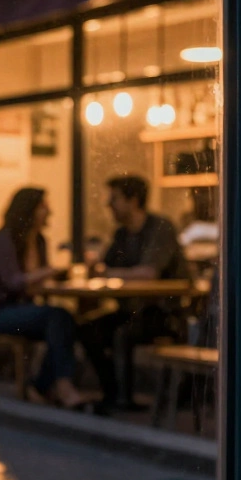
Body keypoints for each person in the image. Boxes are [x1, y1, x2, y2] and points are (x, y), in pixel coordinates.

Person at [81, 175, 186, 414]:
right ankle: (112, 393)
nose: (108, 204)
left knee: (122, 334)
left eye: (114, 198)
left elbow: (148, 273)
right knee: (87, 328)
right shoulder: (121, 234)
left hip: (164, 314)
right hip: (132, 311)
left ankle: (123, 399)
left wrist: (106, 272)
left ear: (133, 200)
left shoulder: (160, 227)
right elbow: (102, 269)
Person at [0, 188, 90, 409]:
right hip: (0, 312)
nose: (48, 211)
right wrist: (50, 271)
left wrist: (54, 277)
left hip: (28, 310)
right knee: (59, 318)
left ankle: (45, 384)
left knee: (66, 321)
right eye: (42, 206)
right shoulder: (4, 238)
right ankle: (59, 386)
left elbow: (37, 285)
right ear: (28, 210)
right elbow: (12, 281)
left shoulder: (39, 240)